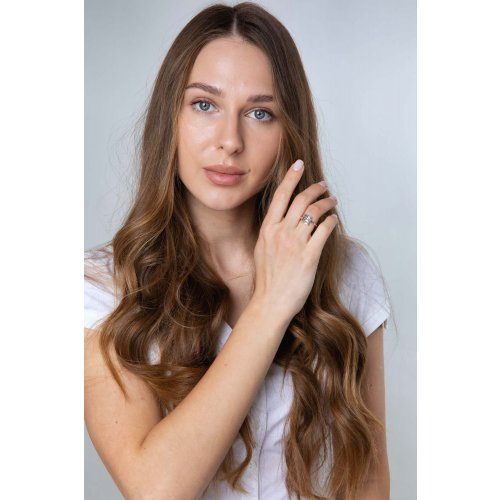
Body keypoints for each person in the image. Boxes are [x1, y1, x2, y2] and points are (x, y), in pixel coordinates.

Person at [84, 2, 392, 499]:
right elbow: (156, 490)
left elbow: (370, 482)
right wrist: (271, 305)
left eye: (259, 112)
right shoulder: (103, 290)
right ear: (171, 118)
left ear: (288, 132)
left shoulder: (345, 272)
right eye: (205, 105)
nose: (229, 140)